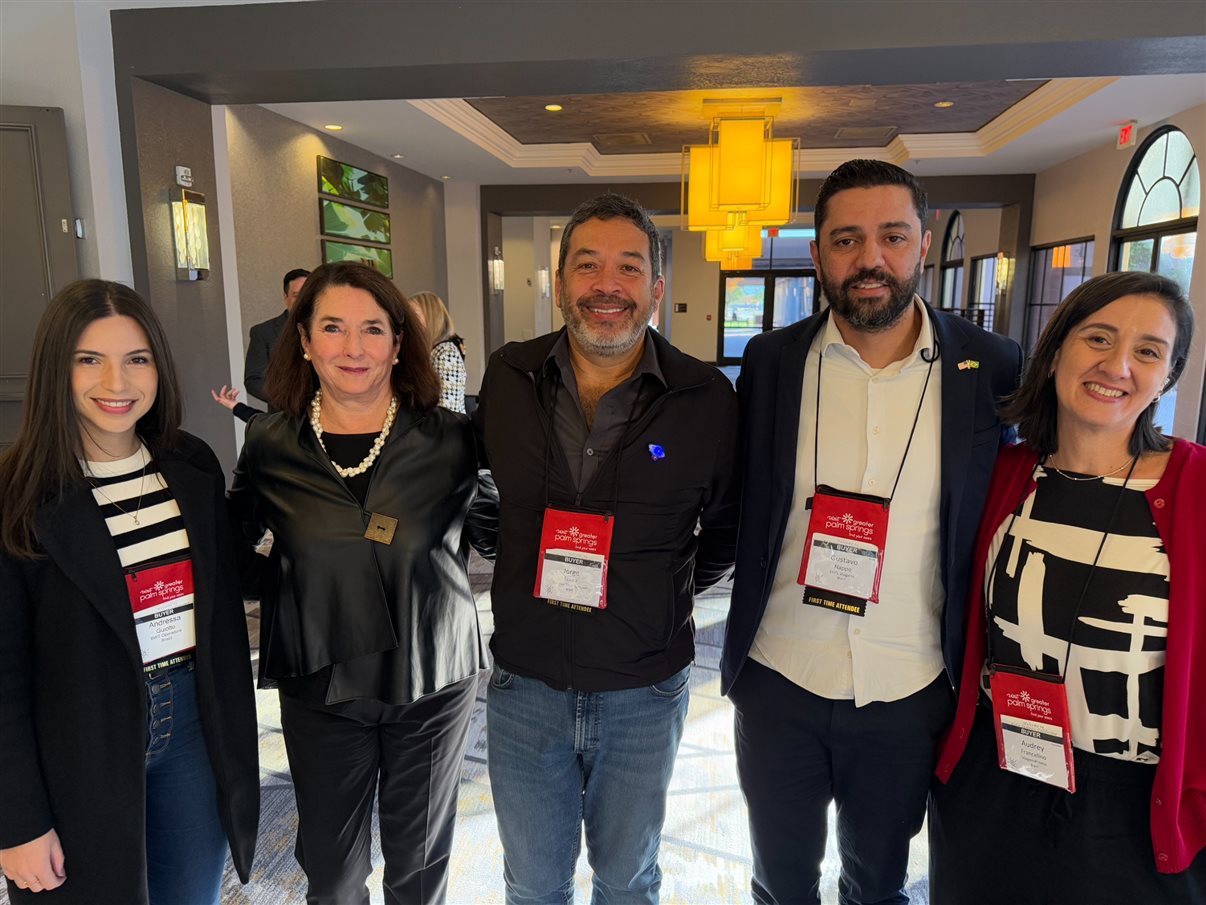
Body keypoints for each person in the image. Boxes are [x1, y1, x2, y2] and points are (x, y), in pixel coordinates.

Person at [720, 159, 1024, 905]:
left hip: (909, 683)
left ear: (923, 244)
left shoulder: (991, 367)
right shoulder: (770, 361)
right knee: (780, 882)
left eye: (891, 236)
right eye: (847, 240)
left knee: (878, 885)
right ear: (819, 253)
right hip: (779, 675)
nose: (870, 260)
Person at [473, 192, 740, 904]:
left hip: (642, 691)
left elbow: (726, 531)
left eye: (628, 267)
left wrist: (659, 598)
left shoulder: (705, 398)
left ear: (657, 287)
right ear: (560, 284)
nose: (606, 286)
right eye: (587, 265)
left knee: (627, 880)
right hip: (526, 685)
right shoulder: (509, 378)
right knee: (532, 883)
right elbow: (483, 500)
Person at [930, 271, 1204, 903]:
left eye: (1148, 351)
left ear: (1169, 375)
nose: (1117, 365)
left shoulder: (1196, 488)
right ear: (1056, 351)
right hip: (995, 779)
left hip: (1134, 806)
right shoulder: (1003, 475)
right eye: (1098, 338)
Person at [228, 262, 494, 905]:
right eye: (333, 328)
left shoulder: (453, 439)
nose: (353, 348)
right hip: (321, 679)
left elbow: (497, 535)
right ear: (305, 340)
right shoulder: (270, 441)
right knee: (333, 869)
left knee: (419, 859)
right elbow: (233, 553)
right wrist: (296, 585)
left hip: (431, 674)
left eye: (372, 329)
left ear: (400, 343)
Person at [0, 280, 259, 904]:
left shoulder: (190, 464)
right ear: (55, 369)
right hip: (79, 737)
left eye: (136, 360)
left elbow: (229, 585)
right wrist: (17, 823)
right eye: (89, 360)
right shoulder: (17, 496)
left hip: (193, 723)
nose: (117, 383)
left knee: (190, 895)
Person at [245, 267, 309, 404]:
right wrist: (288, 400)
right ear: (286, 298)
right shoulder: (263, 332)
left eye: (308, 295)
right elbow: (254, 380)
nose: (304, 300)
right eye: (297, 295)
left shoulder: (331, 330)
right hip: (285, 416)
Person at [410, 290, 468, 414]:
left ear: (431, 317)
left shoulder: (446, 354)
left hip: (445, 430)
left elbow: (448, 409)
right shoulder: (434, 351)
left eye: (414, 316)